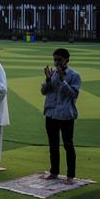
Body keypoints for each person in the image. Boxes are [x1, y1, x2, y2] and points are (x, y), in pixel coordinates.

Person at [41, 48, 81, 184]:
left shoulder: (74, 76)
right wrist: (48, 79)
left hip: (65, 115)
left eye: (59, 59)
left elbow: (73, 94)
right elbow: (44, 91)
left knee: (68, 145)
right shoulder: (52, 74)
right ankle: (54, 171)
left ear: (66, 60)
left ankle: (70, 175)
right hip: (51, 113)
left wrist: (63, 80)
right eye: (55, 59)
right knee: (53, 145)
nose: (56, 62)